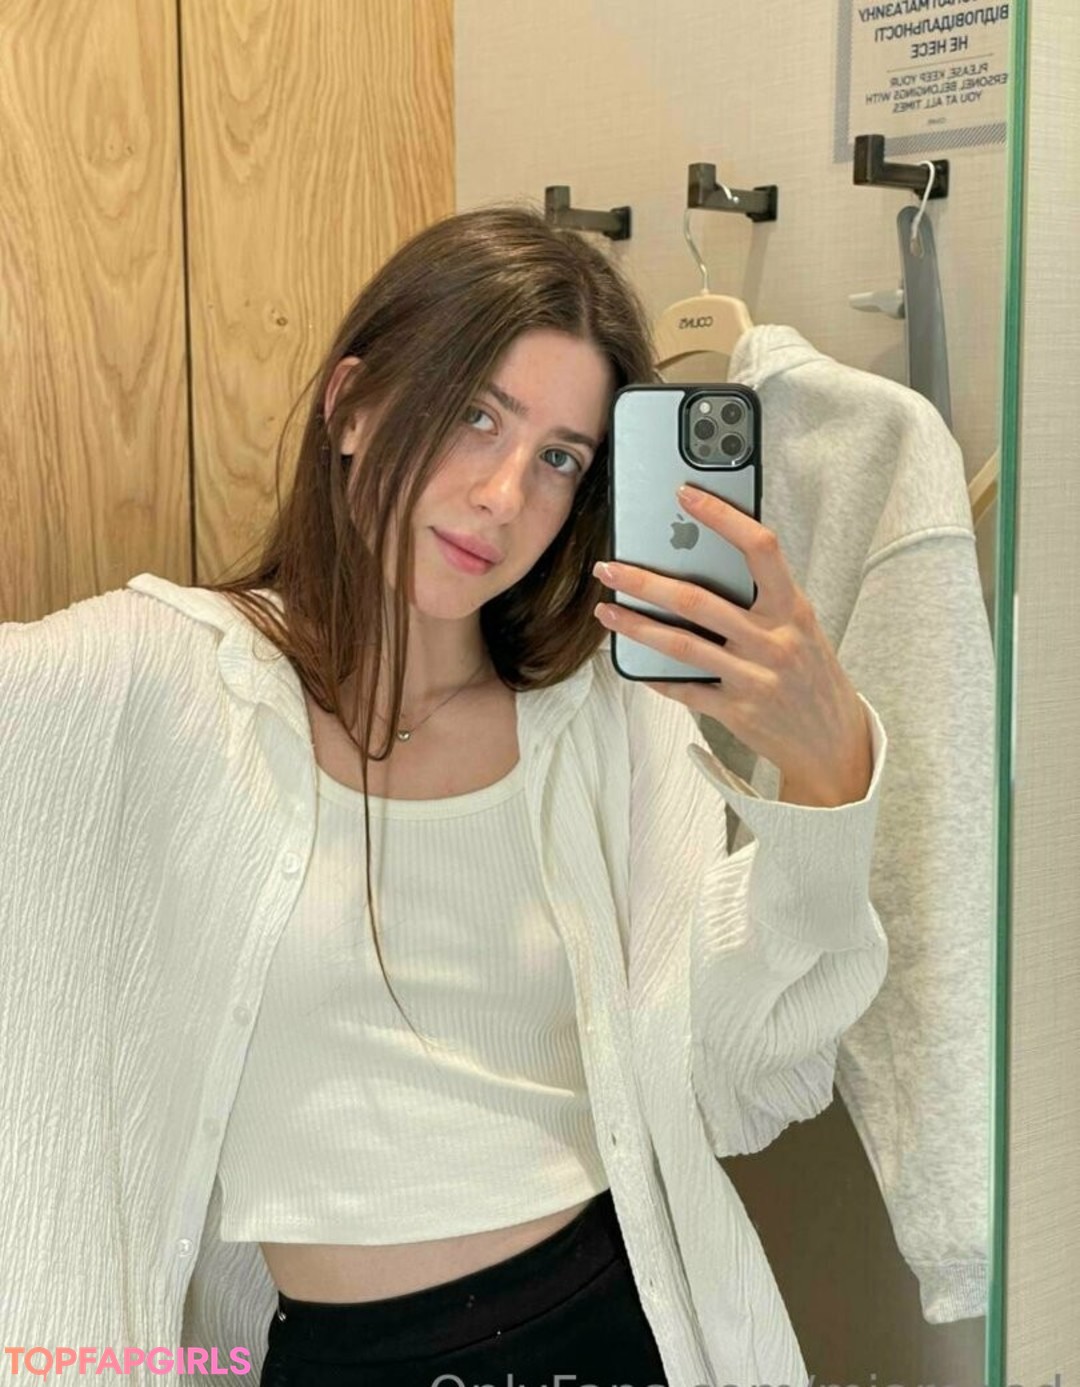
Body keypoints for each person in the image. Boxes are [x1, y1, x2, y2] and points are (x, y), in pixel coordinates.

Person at [0, 205, 889, 1387]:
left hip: (609, 1325)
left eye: (561, 458)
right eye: (477, 415)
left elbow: (734, 1076)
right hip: (338, 1356)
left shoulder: (604, 720)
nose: (506, 494)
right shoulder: (163, 677)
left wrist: (828, 780)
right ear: (353, 405)